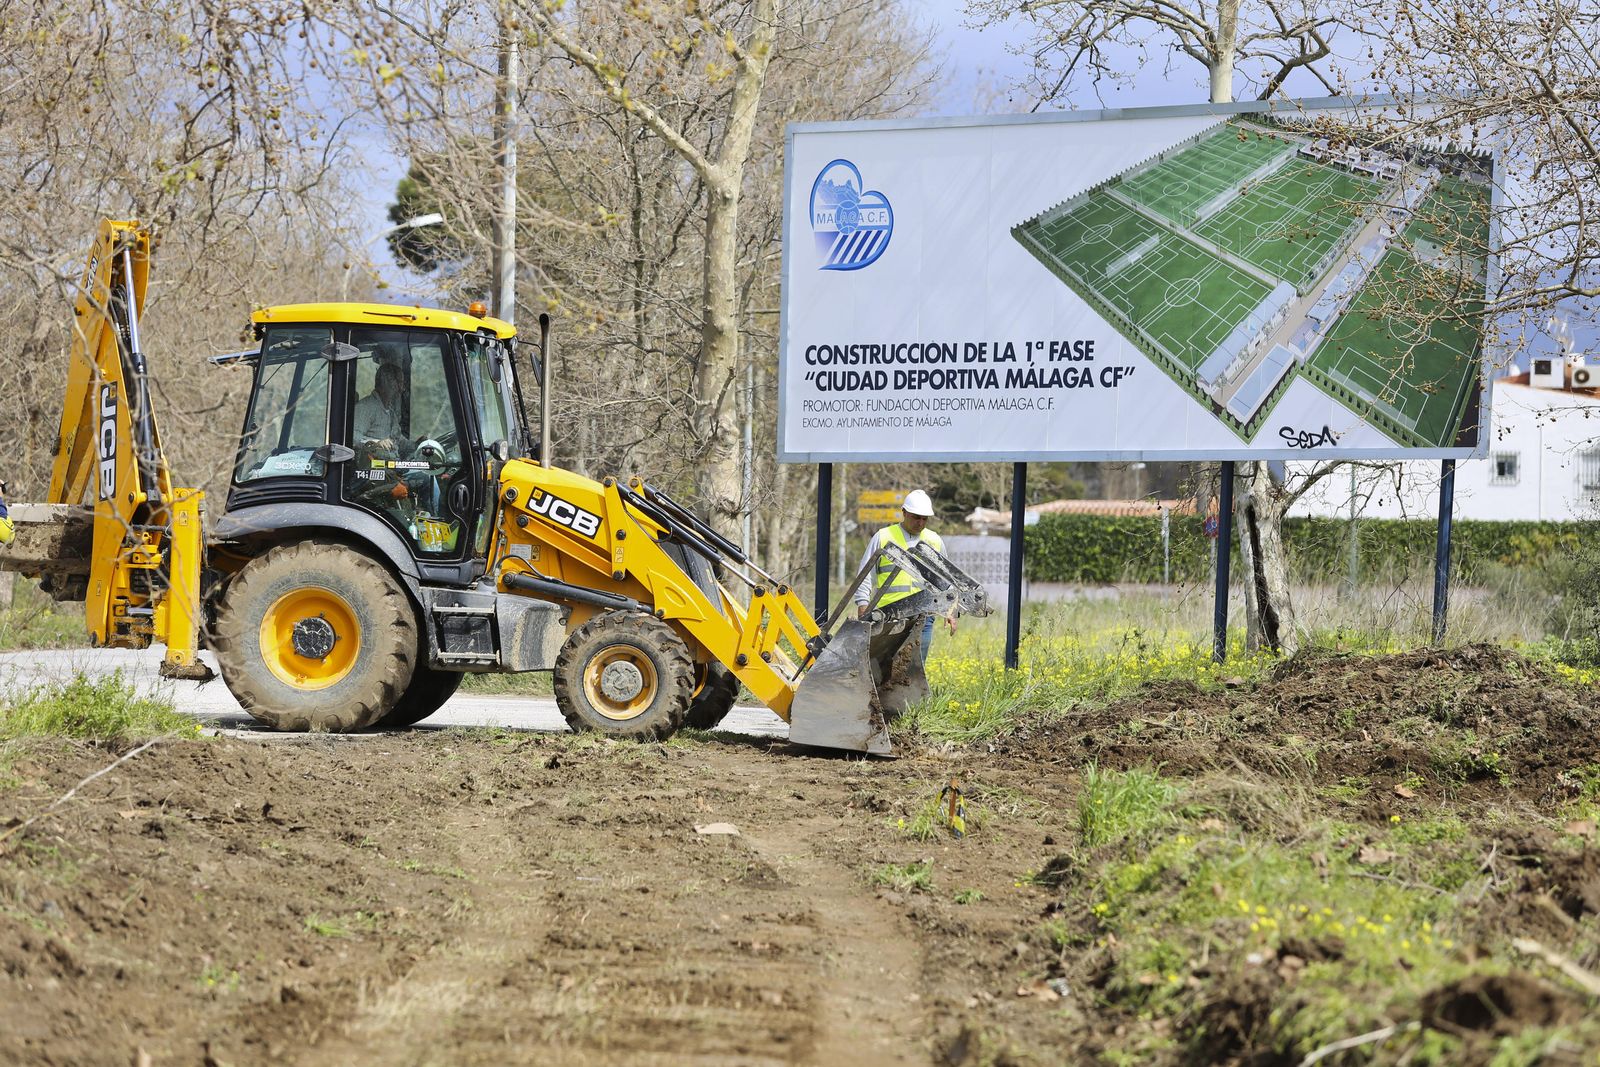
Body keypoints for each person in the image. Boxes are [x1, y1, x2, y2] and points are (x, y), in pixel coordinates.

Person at [853, 488, 955, 663]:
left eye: (924, 519)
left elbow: (945, 579)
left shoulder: (934, 540)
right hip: (888, 616)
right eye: (916, 517)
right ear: (904, 512)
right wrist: (863, 606)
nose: (920, 523)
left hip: (923, 616)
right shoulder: (883, 537)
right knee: (884, 667)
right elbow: (865, 575)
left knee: (915, 669)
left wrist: (950, 610)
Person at [354, 361, 405, 450]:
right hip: (371, 459)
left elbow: (399, 440)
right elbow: (353, 436)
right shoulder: (365, 407)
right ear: (385, 382)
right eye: (398, 383)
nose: (402, 389)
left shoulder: (390, 411)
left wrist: (418, 445)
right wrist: (376, 443)